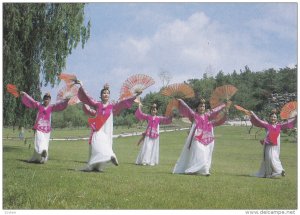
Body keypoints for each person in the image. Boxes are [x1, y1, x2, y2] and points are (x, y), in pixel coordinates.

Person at [77, 81, 141, 172]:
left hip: (106, 130)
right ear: (101, 95)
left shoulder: (112, 106)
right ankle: (99, 163)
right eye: (104, 93)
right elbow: (88, 98)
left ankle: (104, 160)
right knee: (96, 143)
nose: (105, 94)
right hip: (98, 128)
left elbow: (124, 102)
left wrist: (135, 96)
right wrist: (81, 85)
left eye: (107, 93)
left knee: (101, 143)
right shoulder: (97, 104)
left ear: (109, 95)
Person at [172, 98, 230, 176]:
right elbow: (186, 108)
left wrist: (224, 106)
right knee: (200, 152)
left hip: (207, 139)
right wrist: (180, 101)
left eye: (203, 106)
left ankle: (203, 170)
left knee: (206, 155)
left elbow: (216, 114)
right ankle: (197, 170)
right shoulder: (193, 115)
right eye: (200, 106)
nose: (202, 108)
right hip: (197, 138)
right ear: (197, 107)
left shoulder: (208, 116)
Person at [20, 92, 70, 163]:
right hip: (39, 128)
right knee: (39, 141)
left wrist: (66, 100)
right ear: (43, 99)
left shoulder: (52, 107)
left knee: (45, 143)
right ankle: (42, 152)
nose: (46, 99)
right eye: (45, 98)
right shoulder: (39, 105)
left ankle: (42, 158)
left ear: (50, 100)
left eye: (48, 98)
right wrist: (25, 95)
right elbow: (31, 101)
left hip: (47, 129)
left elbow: (60, 105)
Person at [248, 109, 297, 178]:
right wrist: (252, 114)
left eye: (275, 117)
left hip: (275, 146)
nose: (273, 118)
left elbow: (288, 123)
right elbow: (258, 121)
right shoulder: (267, 125)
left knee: (274, 158)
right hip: (268, 145)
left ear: (277, 119)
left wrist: (296, 117)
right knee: (269, 158)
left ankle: (279, 171)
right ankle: (269, 173)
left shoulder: (280, 125)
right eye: (272, 117)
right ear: (269, 118)